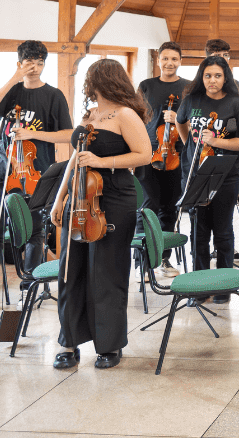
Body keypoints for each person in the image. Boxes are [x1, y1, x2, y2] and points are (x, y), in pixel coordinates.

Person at [50, 59, 152, 370]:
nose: (89, 86)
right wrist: (59, 197)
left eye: (92, 80)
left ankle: (109, 345)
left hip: (115, 198)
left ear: (105, 82)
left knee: (107, 272)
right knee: (70, 270)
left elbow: (145, 155)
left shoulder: (125, 114)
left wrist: (101, 161)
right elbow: (75, 159)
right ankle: (68, 342)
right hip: (80, 196)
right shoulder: (89, 115)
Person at [0, 40, 72, 317]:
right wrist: (14, 77)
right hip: (2, 170)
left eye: (39, 63)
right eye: (29, 63)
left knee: (35, 232)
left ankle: (29, 288)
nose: (34, 68)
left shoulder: (54, 96)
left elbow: (68, 134)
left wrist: (32, 134)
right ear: (20, 63)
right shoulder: (11, 90)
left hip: (37, 173)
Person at [176, 56, 239, 292]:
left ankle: (223, 286)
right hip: (195, 174)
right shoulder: (191, 100)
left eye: (218, 75)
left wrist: (216, 141)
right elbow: (180, 122)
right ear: (201, 77)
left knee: (223, 231)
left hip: (225, 176)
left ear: (225, 78)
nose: (212, 80)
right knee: (198, 232)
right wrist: (190, 144)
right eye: (208, 75)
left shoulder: (235, 104)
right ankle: (199, 286)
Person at [136, 41, 189, 278]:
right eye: (165, 58)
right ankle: (143, 263)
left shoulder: (188, 87)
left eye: (174, 59)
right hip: (149, 153)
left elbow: (193, 118)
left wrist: (177, 117)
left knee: (170, 208)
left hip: (177, 154)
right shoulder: (146, 86)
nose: (169, 63)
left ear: (180, 61)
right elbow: (136, 117)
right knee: (148, 207)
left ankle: (164, 259)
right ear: (158, 61)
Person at [205, 38, 239, 105]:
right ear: (208, 59)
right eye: (217, 55)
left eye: (225, 55)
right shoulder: (199, 84)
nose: (223, 58)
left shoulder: (236, 84)